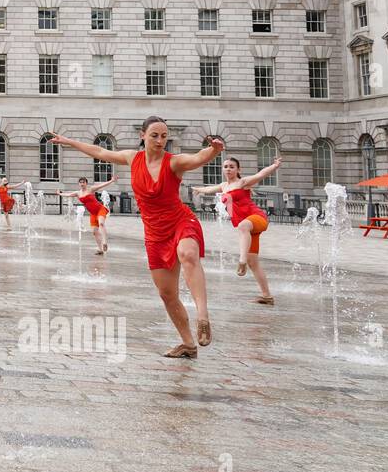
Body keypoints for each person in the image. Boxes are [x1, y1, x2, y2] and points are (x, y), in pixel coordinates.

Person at [51, 119, 224, 358]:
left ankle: (203, 316)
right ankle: (188, 344)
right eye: (154, 135)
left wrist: (214, 150)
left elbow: (198, 158)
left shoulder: (174, 162)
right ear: (143, 135)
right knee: (167, 294)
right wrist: (68, 141)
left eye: (164, 136)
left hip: (180, 221)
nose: (160, 141)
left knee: (188, 254)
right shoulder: (133, 158)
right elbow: (100, 151)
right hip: (154, 232)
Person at [192, 156, 280, 304]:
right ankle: (267, 296)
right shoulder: (223, 186)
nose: (228, 169)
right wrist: (198, 189)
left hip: (257, 218)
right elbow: (208, 189)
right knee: (254, 262)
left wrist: (275, 166)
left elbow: (261, 174)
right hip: (248, 228)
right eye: (226, 166)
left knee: (243, 226)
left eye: (232, 166)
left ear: (238, 169)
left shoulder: (243, 183)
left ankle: (241, 261)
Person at [57, 176, 117, 254]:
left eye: (83, 182)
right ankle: (100, 249)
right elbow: (68, 194)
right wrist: (59, 194)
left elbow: (102, 185)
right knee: (94, 232)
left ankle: (105, 243)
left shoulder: (91, 189)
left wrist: (111, 180)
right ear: (79, 184)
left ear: (86, 183)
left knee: (101, 224)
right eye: (80, 182)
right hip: (93, 213)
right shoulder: (77, 193)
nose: (82, 184)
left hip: (100, 209)